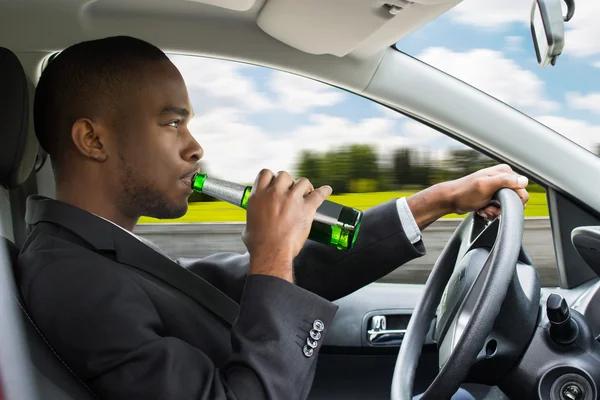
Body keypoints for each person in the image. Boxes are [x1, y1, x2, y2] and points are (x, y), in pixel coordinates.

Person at [17, 36, 529, 400]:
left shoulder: (100, 252)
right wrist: (271, 254)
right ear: (93, 140)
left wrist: (436, 201)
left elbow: (244, 285)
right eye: (172, 123)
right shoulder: (72, 278)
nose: (196, 148)